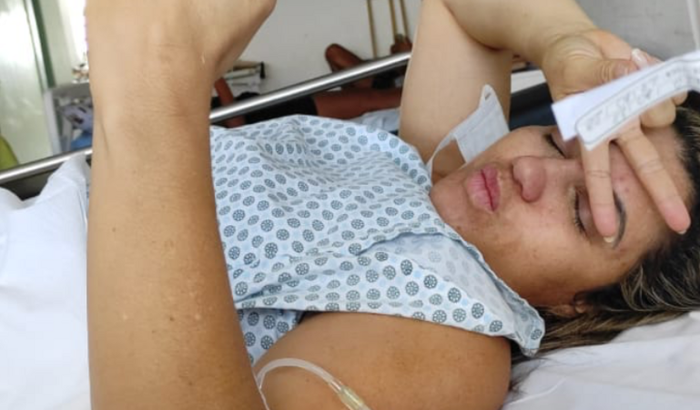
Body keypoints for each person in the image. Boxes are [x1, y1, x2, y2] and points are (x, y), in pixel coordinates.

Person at [84, 1, 700, 410]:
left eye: (582, 211)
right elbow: (458, 10)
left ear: (582, 301)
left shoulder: (452, 335)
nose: (531, 171)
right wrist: (562, 38)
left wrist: (153, 90)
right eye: (554, 140)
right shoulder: (438, 168)